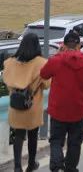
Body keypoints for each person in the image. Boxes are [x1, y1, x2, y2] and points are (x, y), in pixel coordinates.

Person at [40, 31, 83, 172]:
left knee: (56, 140)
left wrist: (57, 54)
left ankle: (56, 165)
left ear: (64, 45)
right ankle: (70, 168)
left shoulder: (57, 60)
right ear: (79, 45)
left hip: (58, 108)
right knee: (74, 142)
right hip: (77, 109)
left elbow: (43, 74)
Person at [3, 34, 49, 172]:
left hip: (15, 105)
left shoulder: (10, 62)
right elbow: (46, 84)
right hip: (32, 105)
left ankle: (17, 166)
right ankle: (31, 164)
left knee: (18, 134)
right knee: (33, 135)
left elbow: (6, 81)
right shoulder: (41, 63)